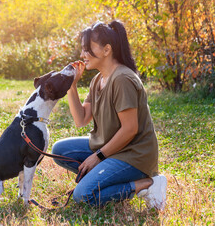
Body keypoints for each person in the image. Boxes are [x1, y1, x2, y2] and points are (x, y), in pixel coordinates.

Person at [52, 20, 167, 210]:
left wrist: (98, 156)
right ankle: (103, 181)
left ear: (107, 50)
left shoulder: (122, 79)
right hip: (111, 150)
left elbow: (130, 129)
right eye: (83, 49)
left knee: (83, 195)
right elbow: (81, 120)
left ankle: (146, 184)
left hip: (134, 155)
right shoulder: (98, 79)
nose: (83, 55)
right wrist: (71, 85)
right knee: (60, 150)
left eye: (88, 49)